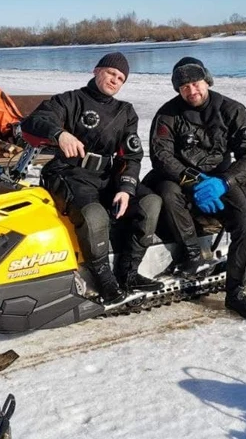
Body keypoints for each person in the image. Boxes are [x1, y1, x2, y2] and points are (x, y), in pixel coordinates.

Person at [20, 52, 162, 307]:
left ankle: (128, 273)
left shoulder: (125, 112)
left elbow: (132, 155)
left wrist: (127, 188)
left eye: (121, 78)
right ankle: (104, 280)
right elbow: (33, 121)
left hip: (108, 175)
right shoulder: (69, 100)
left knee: (150, 203)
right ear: (96, 71)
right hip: (69, 172)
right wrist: (59, 134)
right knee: (94, 215)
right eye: (111, 73)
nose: (115, 80)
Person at [143, 57, 246, 320]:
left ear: (206, 81)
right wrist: (194, 181)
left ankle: (236, 294)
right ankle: (192, 255)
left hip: (221, 179)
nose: (191, 91)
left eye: (195, 83)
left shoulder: (232, 110)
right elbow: (161, 157)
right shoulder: (167, 114)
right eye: (184, 87)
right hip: (178, 178)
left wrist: (224, 182)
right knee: (165, 191)